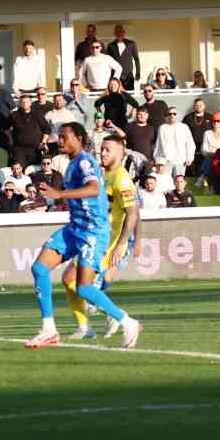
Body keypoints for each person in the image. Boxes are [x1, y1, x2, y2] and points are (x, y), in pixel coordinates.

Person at [23, 123, 141, 349]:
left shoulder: (85, 161)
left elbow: (94, 189)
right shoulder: (72, 164)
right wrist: (49, 199)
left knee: (84, 288)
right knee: (39, 268)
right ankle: (49, 329)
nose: (60, 141)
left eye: (65, 137)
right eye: (59, 137)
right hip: (75, 227)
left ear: (79, 138)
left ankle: (127, 322)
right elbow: (79, 196)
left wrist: (59, 193)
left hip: (93, 232)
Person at [106, 25, 141, 90]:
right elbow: (108, 62)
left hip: (129, 77)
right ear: (114, 33)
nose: (119, 33)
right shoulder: (111, 45)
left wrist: (138, 73)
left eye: (120, 31)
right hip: (116, 77)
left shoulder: (131, 44)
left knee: (129, 96)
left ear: (124, 32)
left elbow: (136, 59)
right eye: (117, 32)